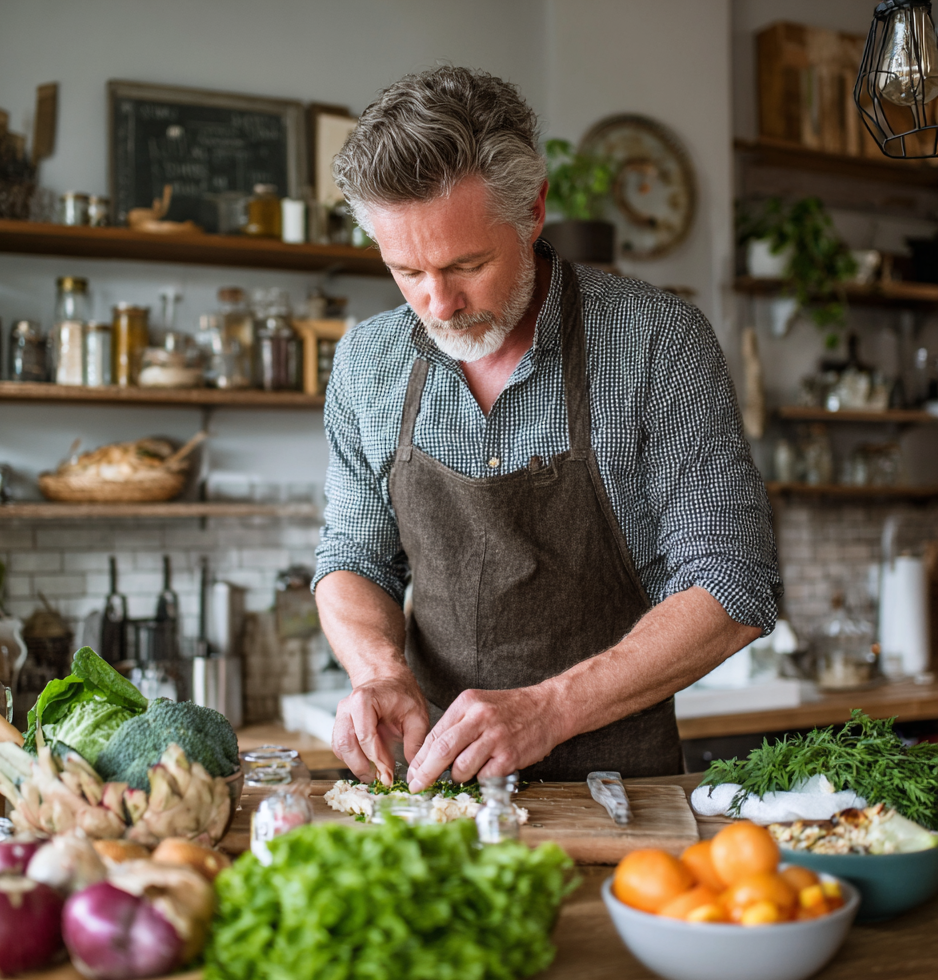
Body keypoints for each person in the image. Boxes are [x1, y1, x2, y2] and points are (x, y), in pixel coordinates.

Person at [312, 66, 780, 792]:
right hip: (437, 787)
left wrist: (547, 711)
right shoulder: (366, 362)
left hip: (621, 791)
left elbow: (733, 585)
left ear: (532, 212)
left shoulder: (657, 341)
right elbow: (352, 555)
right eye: (406, 271)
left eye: (467, 264)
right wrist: (377, 672)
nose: (438, 304)